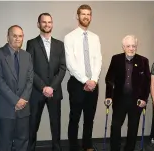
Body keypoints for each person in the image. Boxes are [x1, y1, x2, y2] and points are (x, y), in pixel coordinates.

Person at [64, 4, 102, 151]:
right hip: (77, 83)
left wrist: (93, 80)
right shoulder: (70, 37)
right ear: (77, 16)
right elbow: (71, 63)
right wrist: (86, 80)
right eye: (83, 14)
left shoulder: (95, 37)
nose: (86, 17)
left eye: (88, 14)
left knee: (89, 118)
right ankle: (73, 147)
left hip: (94, 83)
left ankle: (87, 145)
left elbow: (98, 60)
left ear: (91, 17)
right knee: (75, 118)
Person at [26, 13, 66, 151]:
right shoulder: (31, 43)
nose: (47, 24)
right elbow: (29, 68)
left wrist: (52, 87)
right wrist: (43, 87)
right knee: (33, 124)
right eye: (44, 22)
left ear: (52, 24)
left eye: (49, 22)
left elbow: (62, 68)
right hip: (37, 92)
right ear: (39, 24)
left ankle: (57, 148)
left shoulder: (60, 45)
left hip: (54, 92)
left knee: (56, 125)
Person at [0, 25, 34, 151]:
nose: (17, 39)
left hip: (24, 107)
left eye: (20, 36)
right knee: (5, 143)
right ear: (8, 37)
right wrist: (16, 100)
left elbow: (30, 80)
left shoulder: (27, 56)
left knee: (22, 141)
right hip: (6, 107)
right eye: (14, 35)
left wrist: (23, 99)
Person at [105, 35, 151, 151]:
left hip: (136, 101)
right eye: (128, 46)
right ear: (123, 47)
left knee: (133, 128)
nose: (131, 48)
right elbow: (109, 79)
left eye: (133, 46)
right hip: (119, 100)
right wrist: (109, 96)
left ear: (136, 47)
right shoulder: (116, 59)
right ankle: (115, 148)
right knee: (115, 126)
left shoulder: (143, 61)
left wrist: (144, 99)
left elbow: (147, 82)